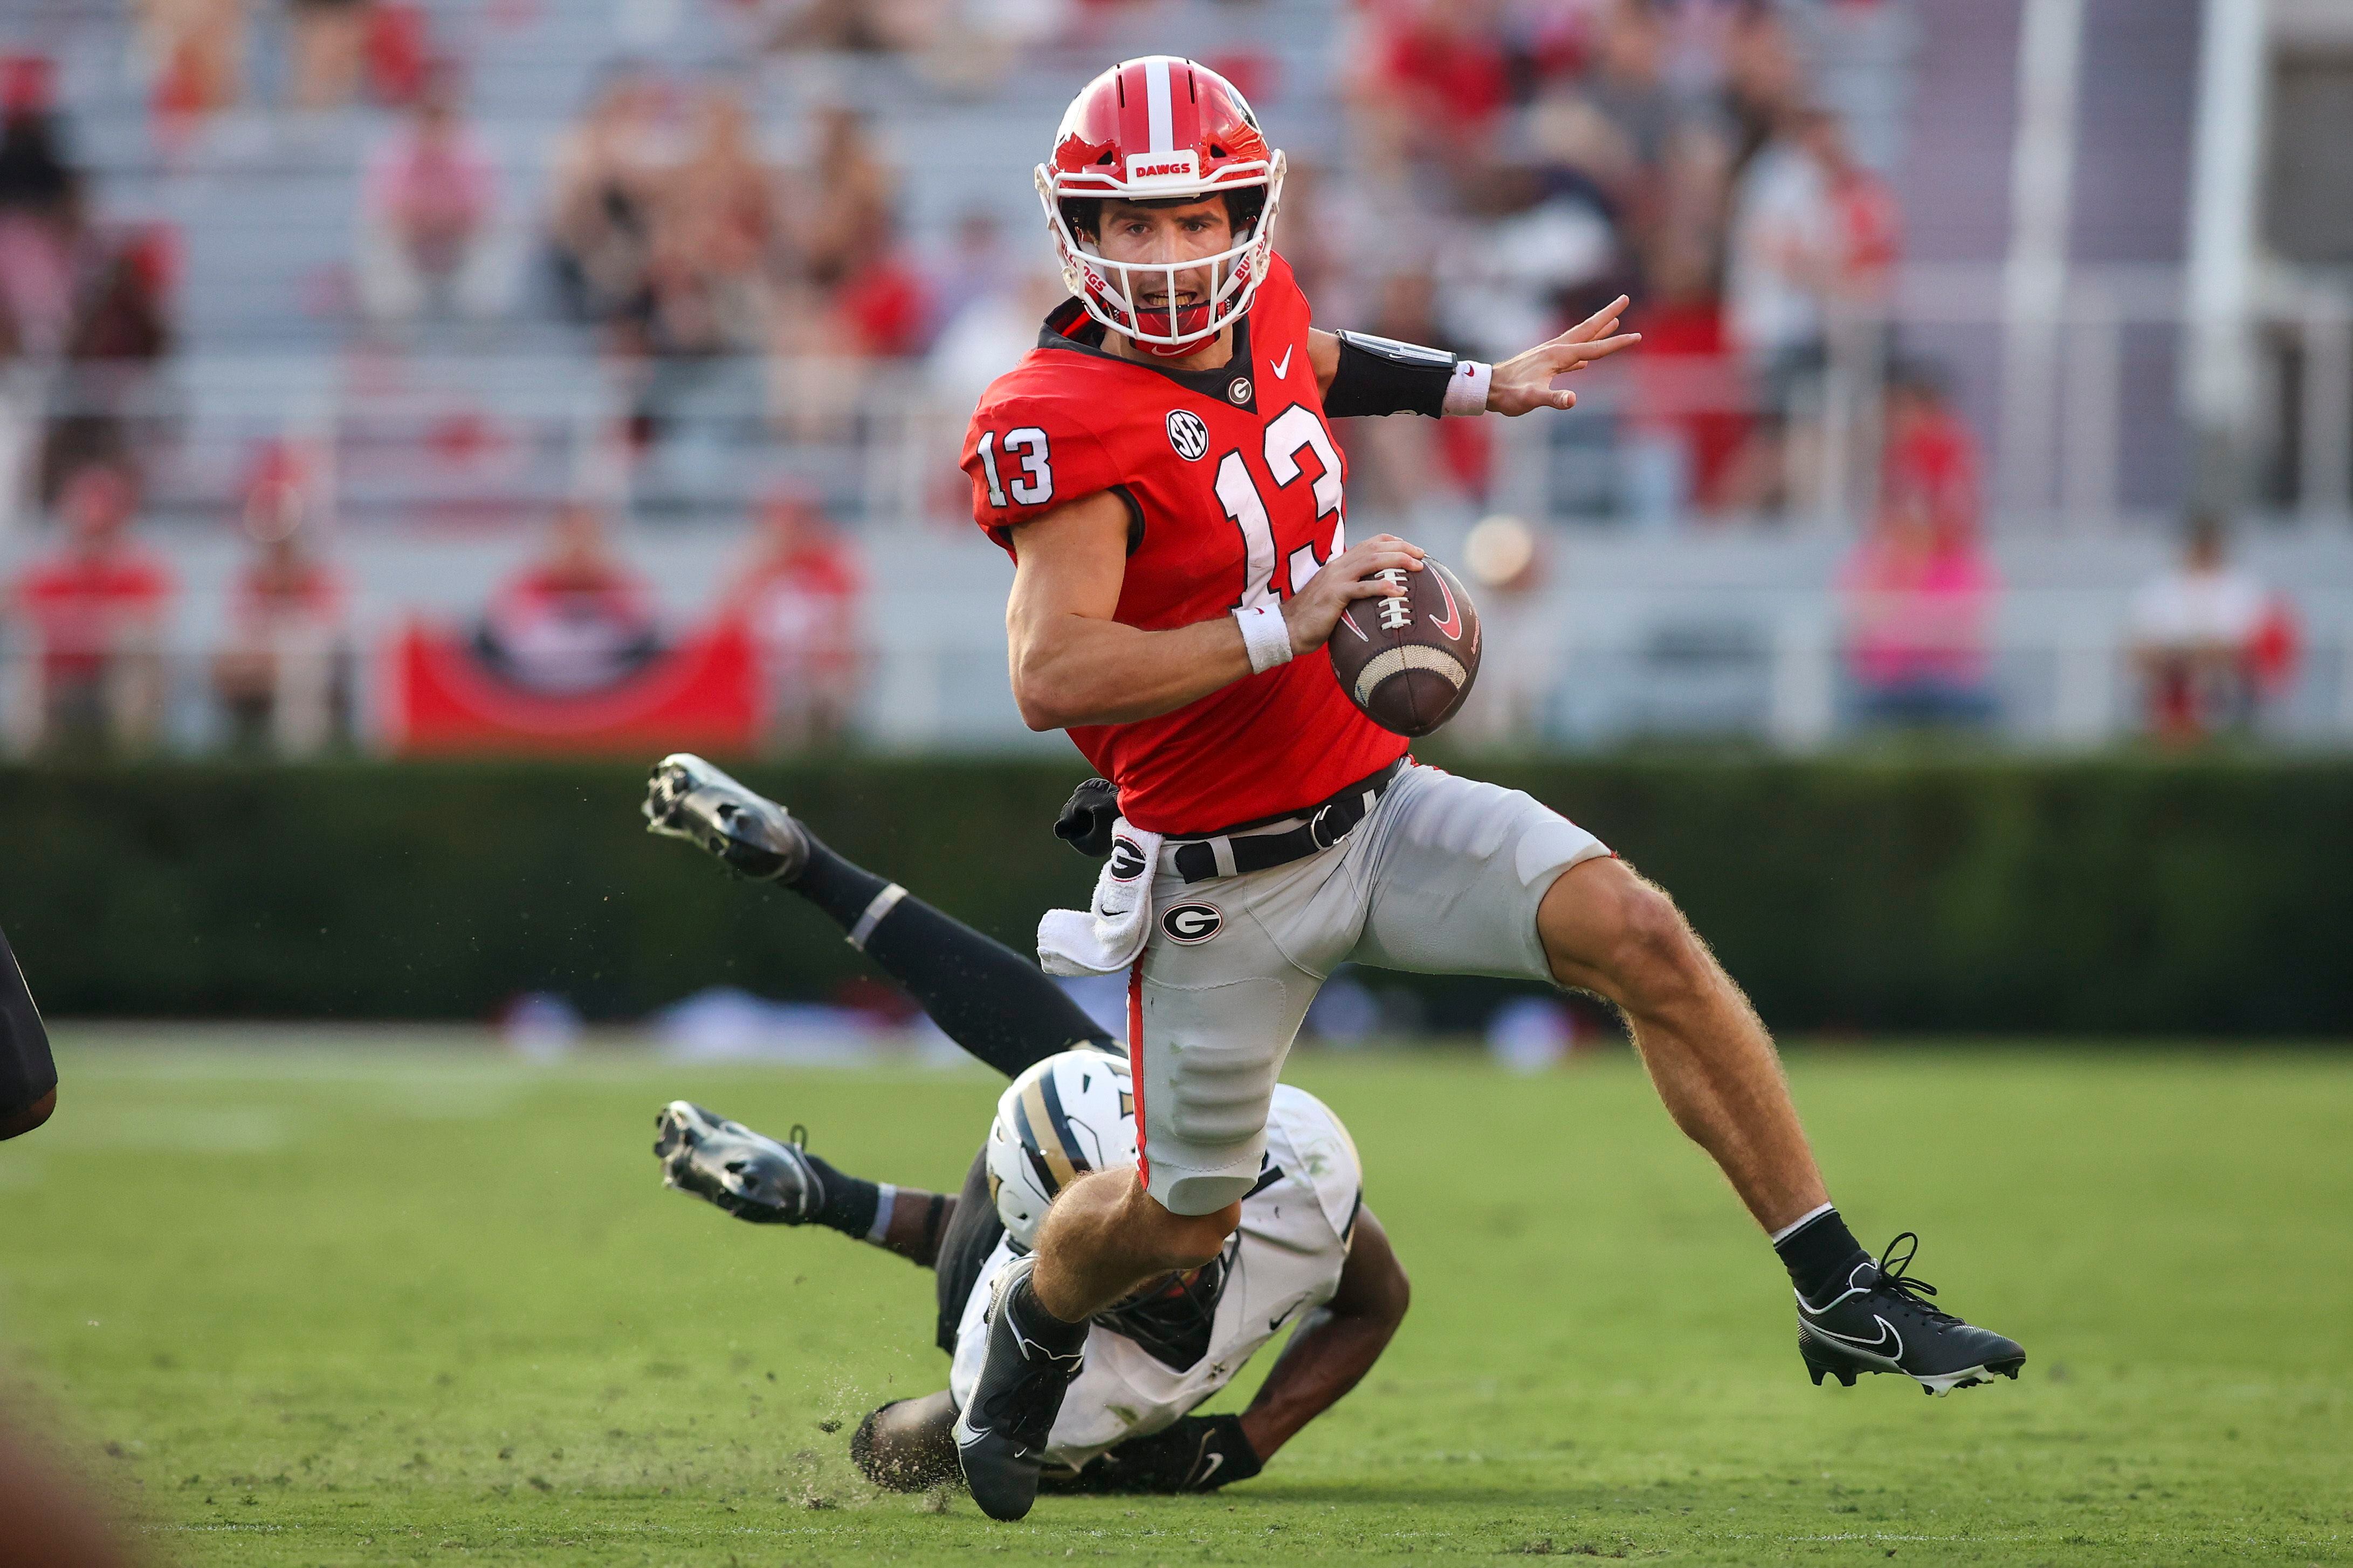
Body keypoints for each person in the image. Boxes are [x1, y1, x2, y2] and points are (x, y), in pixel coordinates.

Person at [948, 56, 2020, 1520]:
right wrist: (1288, 619)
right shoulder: (1057, 410)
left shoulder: (1258, 308)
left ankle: (1834, 1283)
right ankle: (1032, 1317)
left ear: (1241, 215)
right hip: (1218, 881)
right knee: (1174, 1225)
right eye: (1126, 228)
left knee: (1638, 931)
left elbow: (1310, 355)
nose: (1164, 256)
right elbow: (1050, 675)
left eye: (1189, 219)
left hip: (1374, 806)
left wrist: (1473, 384)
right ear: (1078, 234)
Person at [642, 753, 1409, 1494]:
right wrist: (971, 1420)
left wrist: (1239, 1447)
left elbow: (1379, 1298)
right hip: (1027, 1308)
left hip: (1068, 1163)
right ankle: (824, 1192)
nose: (1173, 1263)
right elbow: (892, 1452)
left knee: (1085, 1063)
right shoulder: (1071, 1402)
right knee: (982, 1386)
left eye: (1149, 1191)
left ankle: (803, 873)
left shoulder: (1298, 1167)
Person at [10, 462, 174, 752]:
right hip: (61, 677)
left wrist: (86, 624)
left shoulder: (140, 570)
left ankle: (131, 761)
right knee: (25, 647)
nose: (94, 538)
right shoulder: (50, 571)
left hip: (112, 677)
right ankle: (27, 766)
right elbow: (20, 610)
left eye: (102, 528)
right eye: (87, 527)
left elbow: (149, 621)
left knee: (135, 650)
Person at [353, 61, 511, 325]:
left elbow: (482, 212)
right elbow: (391, 213)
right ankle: (394, 318)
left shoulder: (477, 153)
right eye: (429, 116)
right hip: (411, 242)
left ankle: (483, 316)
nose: (434, 127)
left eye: (441, 116)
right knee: (374, 231)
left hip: (459, 242)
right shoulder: (393, 153)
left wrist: (434, 220)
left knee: (499, 230)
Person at [2128, 513, 2297, 743]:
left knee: (2211, 673)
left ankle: (2214, 729)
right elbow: (2142, 646)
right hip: (2171, 673)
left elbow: (2249, 646)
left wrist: (2198, 653)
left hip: (2227, 677)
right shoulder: (2160, 589)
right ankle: (2170, 733)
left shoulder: (2243, 587)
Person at [475, 502, 659, 692]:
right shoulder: (520, 592)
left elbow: (646, 642)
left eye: (588, 538)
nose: (578, 549)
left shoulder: (627, 592)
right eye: (567, 538)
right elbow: (504, 647)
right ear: (549, 542)